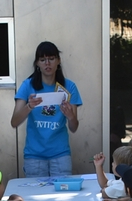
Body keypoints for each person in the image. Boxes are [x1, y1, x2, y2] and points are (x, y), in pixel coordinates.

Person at [10, 41, 82, 177]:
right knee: (35, 196)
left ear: (58, 61)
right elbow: (14, 122)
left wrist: (71, 116)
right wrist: (29, 106)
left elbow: (74, 128)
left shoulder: (69, 86)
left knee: (63, 194)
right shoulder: (28, 85)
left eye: (51, 59)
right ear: (37, 63)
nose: (47, 64)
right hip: (34, 155)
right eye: (42, 60)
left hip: (60, 154)